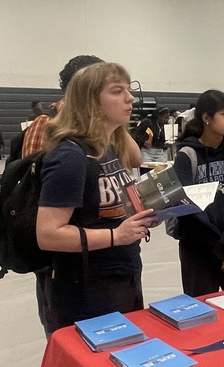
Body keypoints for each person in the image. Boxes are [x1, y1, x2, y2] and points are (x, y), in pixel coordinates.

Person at [35, 62, 153, 336]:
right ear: (92, 102)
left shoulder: (109, 146)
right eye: (117, 91)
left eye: (128, 89)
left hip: (122, 274)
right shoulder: (70, 157)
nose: (130, 98)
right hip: (87, 287)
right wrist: (117, 236)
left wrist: (140, 218)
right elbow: (48, 235)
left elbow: (108, 209)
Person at [172, 89, 224, 296]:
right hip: (199, 249)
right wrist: (221, 249)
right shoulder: (186, 155)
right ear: (206, 117)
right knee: (200, 312)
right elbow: (189, 209)